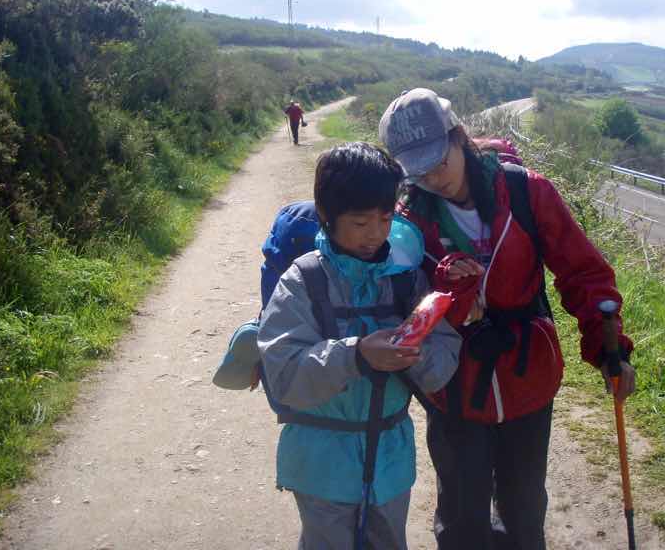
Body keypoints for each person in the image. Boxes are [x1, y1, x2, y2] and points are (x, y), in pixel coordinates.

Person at [379, 88, 636, 549]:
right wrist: (449, 298)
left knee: (522, 509)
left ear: (459, 136)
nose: (434, 177)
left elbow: (582, 272)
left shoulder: (525, 190)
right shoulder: (410, 220)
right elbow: (405, 301)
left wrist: (608, 350)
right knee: (462, 518)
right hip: (454, 383)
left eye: (439, 160)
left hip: (527, 374)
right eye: (418, 170)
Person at [258, 142, 461, 550]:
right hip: (321, 466)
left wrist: (416, 353)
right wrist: (356, 355)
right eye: (360, 222)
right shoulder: (303, 282)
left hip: (390, 461)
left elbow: (443, 365)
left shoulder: (405, 278)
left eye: (386, 219)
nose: (376, 234)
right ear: (327, 218)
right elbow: (284, 377)